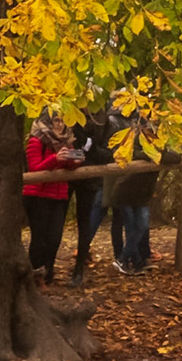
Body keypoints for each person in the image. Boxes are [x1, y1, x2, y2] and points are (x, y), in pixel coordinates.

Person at [23, 113, 81, 284]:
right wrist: (54, 159)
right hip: (37, 196)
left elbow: (75, 163)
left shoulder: (68, 140)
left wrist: (73, 159)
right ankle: (35, 276)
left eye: (63, 120)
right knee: (39, 238)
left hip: (59, 195)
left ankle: (48, 272)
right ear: (47, 121)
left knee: (54, 238)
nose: (60, 125)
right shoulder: (36, 140)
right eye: (56, 120)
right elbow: (35, 169)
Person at [68, 102, 119, 287]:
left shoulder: (103, 121)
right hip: (64, 177)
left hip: (89, 180)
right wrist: (77, 154)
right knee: (55, 224)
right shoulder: (68, 114)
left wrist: (89, 150)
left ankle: (79, 268)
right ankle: (47, 269)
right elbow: (61, 151)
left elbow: (109, 154)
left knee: (85, 224)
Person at [109, 119, 160, 274]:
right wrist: (149, 155)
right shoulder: (133, 140)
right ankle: (133, 262)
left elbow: (174, 157)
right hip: (126, 191)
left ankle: (126, 260)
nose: (151, 131)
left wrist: (157, 155)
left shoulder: (161, 144)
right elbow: (130, 153)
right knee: (132, 226)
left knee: (141, 226)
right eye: (148, 128)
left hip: (143, 194)